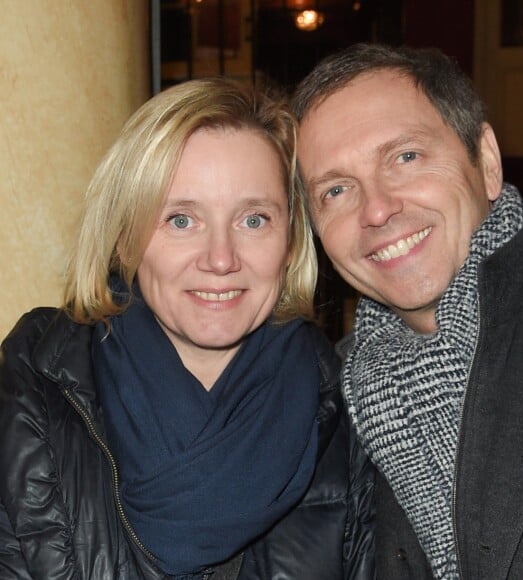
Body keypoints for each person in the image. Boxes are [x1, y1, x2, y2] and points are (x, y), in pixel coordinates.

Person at [0, 77, 376, 579]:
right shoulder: (32, 393)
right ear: (124, 237)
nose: (221, 259)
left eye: (254, 219)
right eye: (181, 220)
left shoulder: (355, 415)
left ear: (290, 242)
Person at [292, 43, 523, 579]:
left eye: (405, 157)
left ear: (486, 161)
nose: (376, 209)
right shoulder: (332, 400)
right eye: (336, 189)